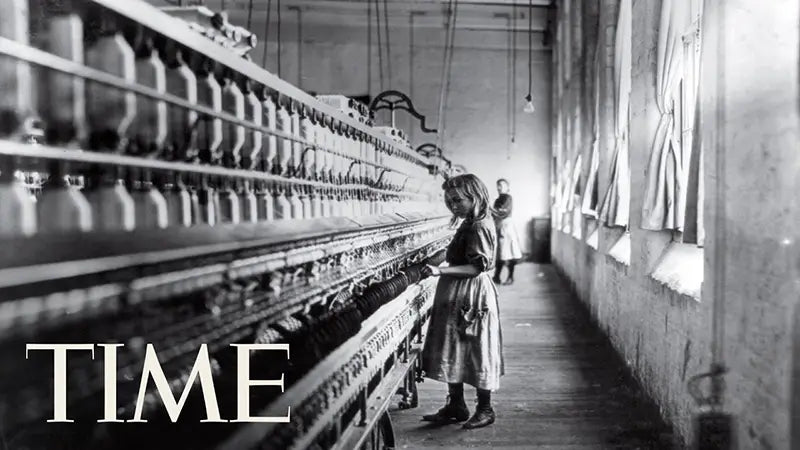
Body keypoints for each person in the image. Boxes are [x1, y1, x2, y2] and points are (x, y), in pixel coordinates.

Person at [420, 174, 504, 429]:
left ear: (475, 197)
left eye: (458, 200)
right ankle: (456, 405)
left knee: (476, 347)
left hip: (471, 293)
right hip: (458, 291)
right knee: (454, 346)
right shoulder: (470, 222)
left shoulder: (478, 226)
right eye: (449, 200)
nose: (453, 205)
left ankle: (485, 409)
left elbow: (477, 268)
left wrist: (439, 271)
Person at [492, 178, 523, 285]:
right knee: (500, 253)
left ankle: (510, 277)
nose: (499, 187)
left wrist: (491, 210)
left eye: (501, 185)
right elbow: (495, 214)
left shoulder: (508, 198)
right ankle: (497, 276)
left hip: (506, 226)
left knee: (509, 253)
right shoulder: (497, 199)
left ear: (507, 187)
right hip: (500, 226)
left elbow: (502, 212)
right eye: (498, 185)